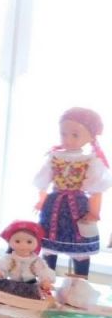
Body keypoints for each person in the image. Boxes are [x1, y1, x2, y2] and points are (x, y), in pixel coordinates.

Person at [35, 107, 111, 277]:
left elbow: (96, 191)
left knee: (79, 243)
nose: (68, 139)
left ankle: (80, 280)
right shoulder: (54, 157)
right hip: (53, 205)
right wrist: (41, 201)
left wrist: (94, 212)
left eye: (75, 135)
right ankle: (47, 279)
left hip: (77, 207)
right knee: (49, 244)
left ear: (91, 137)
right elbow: (43, 182)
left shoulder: (91, 160)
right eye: (63, 134)